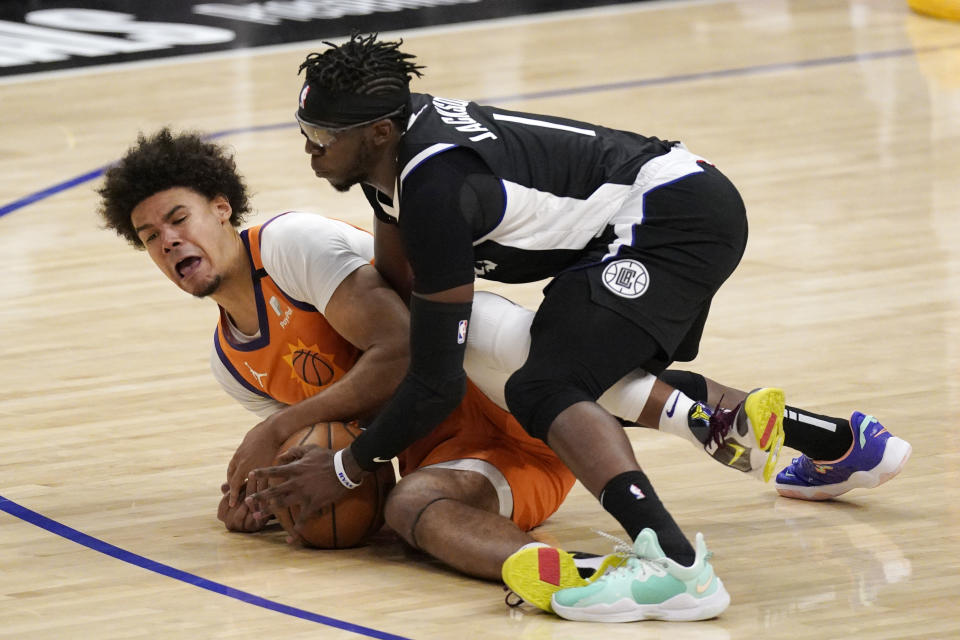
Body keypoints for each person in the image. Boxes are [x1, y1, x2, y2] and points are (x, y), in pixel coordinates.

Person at [249, 33, 912, 623]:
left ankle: (677, 569)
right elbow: (401, 291)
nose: (309, 152)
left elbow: (435, 381)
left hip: (672, 219)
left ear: (378, 134)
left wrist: (343, 467)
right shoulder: (386, 161)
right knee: (580, 374)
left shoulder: (435, 188)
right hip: (640, 221)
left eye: (322, 137)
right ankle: (843, 444)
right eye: (305, 129)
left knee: (548, 386)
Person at [93, 128, 776, 587]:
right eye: (150, 237)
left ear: (221, 208)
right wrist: (272, 500)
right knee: (410, 509)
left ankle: (811, 442)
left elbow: (401, 354)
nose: (168, 243)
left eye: (177, 219)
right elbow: (350, 456)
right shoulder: (231, 363)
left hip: (492, 379)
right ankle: (590, 580)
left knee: (602, 386)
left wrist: (277, 428)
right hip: (459, 449)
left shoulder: (292, 246)